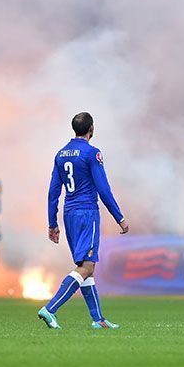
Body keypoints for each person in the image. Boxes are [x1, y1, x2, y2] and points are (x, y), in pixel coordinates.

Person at [39, 112, 129, 330]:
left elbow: (53, 192)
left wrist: (53, 223)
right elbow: (103, 189)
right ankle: (50, 309)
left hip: (69, 214)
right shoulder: (92, 153)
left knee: (85, 266)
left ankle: (97, 319)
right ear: (92, 129)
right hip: (87, 212)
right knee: (87, 267)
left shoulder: (61, 154)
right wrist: (120, 217)